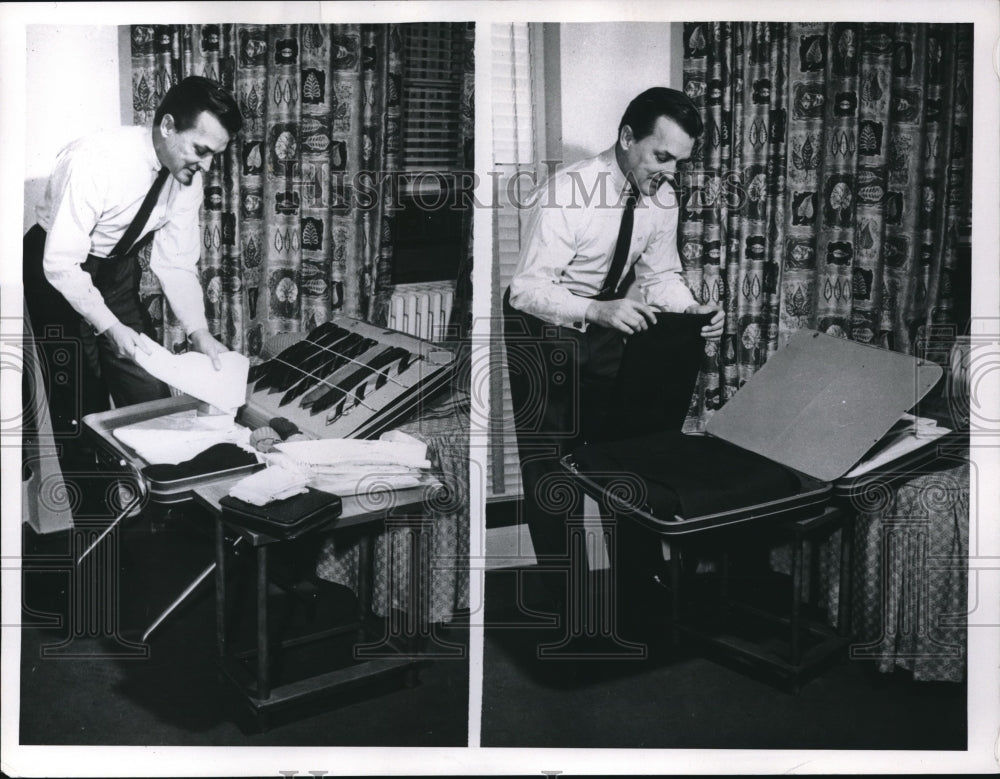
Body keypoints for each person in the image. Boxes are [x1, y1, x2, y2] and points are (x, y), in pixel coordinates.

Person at [503, 87, 724, 641]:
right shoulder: (568, 193)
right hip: (542, 329)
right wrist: (597, 308)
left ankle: (634, 590)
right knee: (551, 471)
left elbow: (661, 277)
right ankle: (567, 598)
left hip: (603, 322)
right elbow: (527, 289)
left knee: (618, 454)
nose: (669, 173)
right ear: (627, 138)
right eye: (661, 156)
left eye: (679, 162)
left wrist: (693, 308)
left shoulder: (661, 198)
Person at [23, 76, 243, 466]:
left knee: (147, 388)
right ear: (168, 126)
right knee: (77, 401)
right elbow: (61, 263)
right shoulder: (95, 159)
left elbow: (174, 261)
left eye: (214, 155)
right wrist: (109, 327)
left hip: (116, 270)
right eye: (201, 150)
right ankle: (95, 513)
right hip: (55, 269)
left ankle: (157, 500)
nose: (207, 165)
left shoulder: (186, 175)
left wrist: (199, 332)